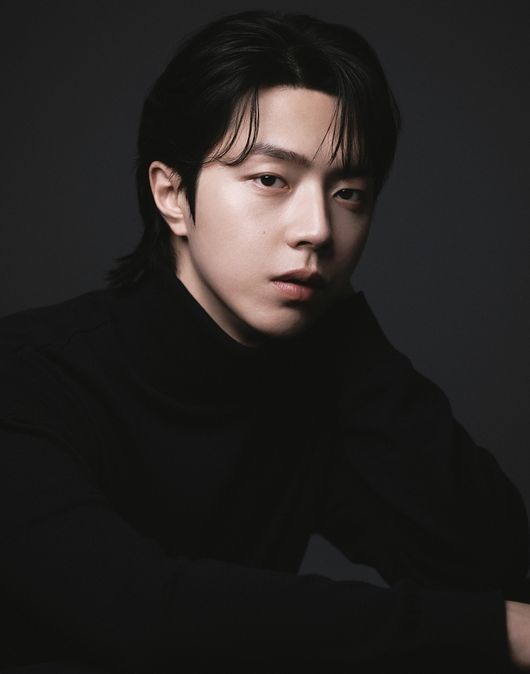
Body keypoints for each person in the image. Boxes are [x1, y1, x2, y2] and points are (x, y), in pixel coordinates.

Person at [0, 9, 529, 674]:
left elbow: (492, 566)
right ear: (172, 193)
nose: (318, 229)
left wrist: (342, 327)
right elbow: (137, 615)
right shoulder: (25, 376)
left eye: (349, 193)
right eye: (271, 180)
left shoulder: (313, 381)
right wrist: (489, 632)